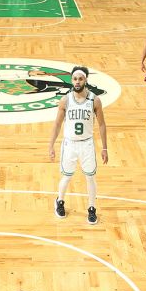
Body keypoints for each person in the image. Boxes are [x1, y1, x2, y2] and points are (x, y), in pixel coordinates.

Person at [47, 66, 108, 225]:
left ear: (85, 80)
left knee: (90, 177)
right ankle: (59, 201)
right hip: (70, 144)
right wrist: (51, 145)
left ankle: (92, 208)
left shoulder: (94, 100)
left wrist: (105, 148)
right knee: (67, 176)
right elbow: (57, 124)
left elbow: (102, 125)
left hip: (87, 144)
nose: (77, 81)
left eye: (80, 78)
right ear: (71, 81)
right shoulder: (65, 100)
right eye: (75, 79)